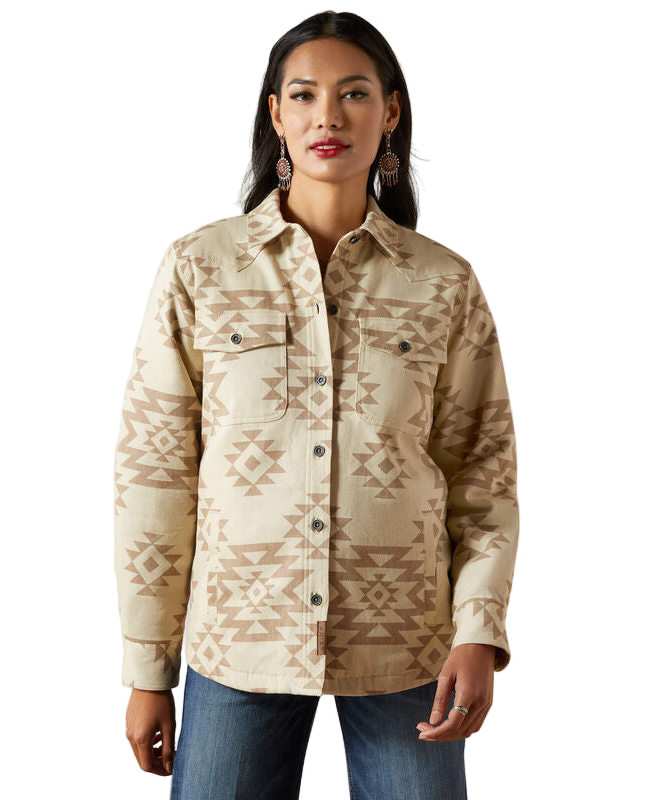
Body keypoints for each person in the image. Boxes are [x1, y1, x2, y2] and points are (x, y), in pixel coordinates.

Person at [112, 10, 520, 799]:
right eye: (303, 95)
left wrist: (479, 630)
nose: (327, 116)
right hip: (241, 643)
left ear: (390, 112)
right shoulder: (201, 268)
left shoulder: (443, 282)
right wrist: (147, 668)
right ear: (276, 114)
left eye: (354, 94)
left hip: (408, 646)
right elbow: (156, 472)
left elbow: (484, 474)